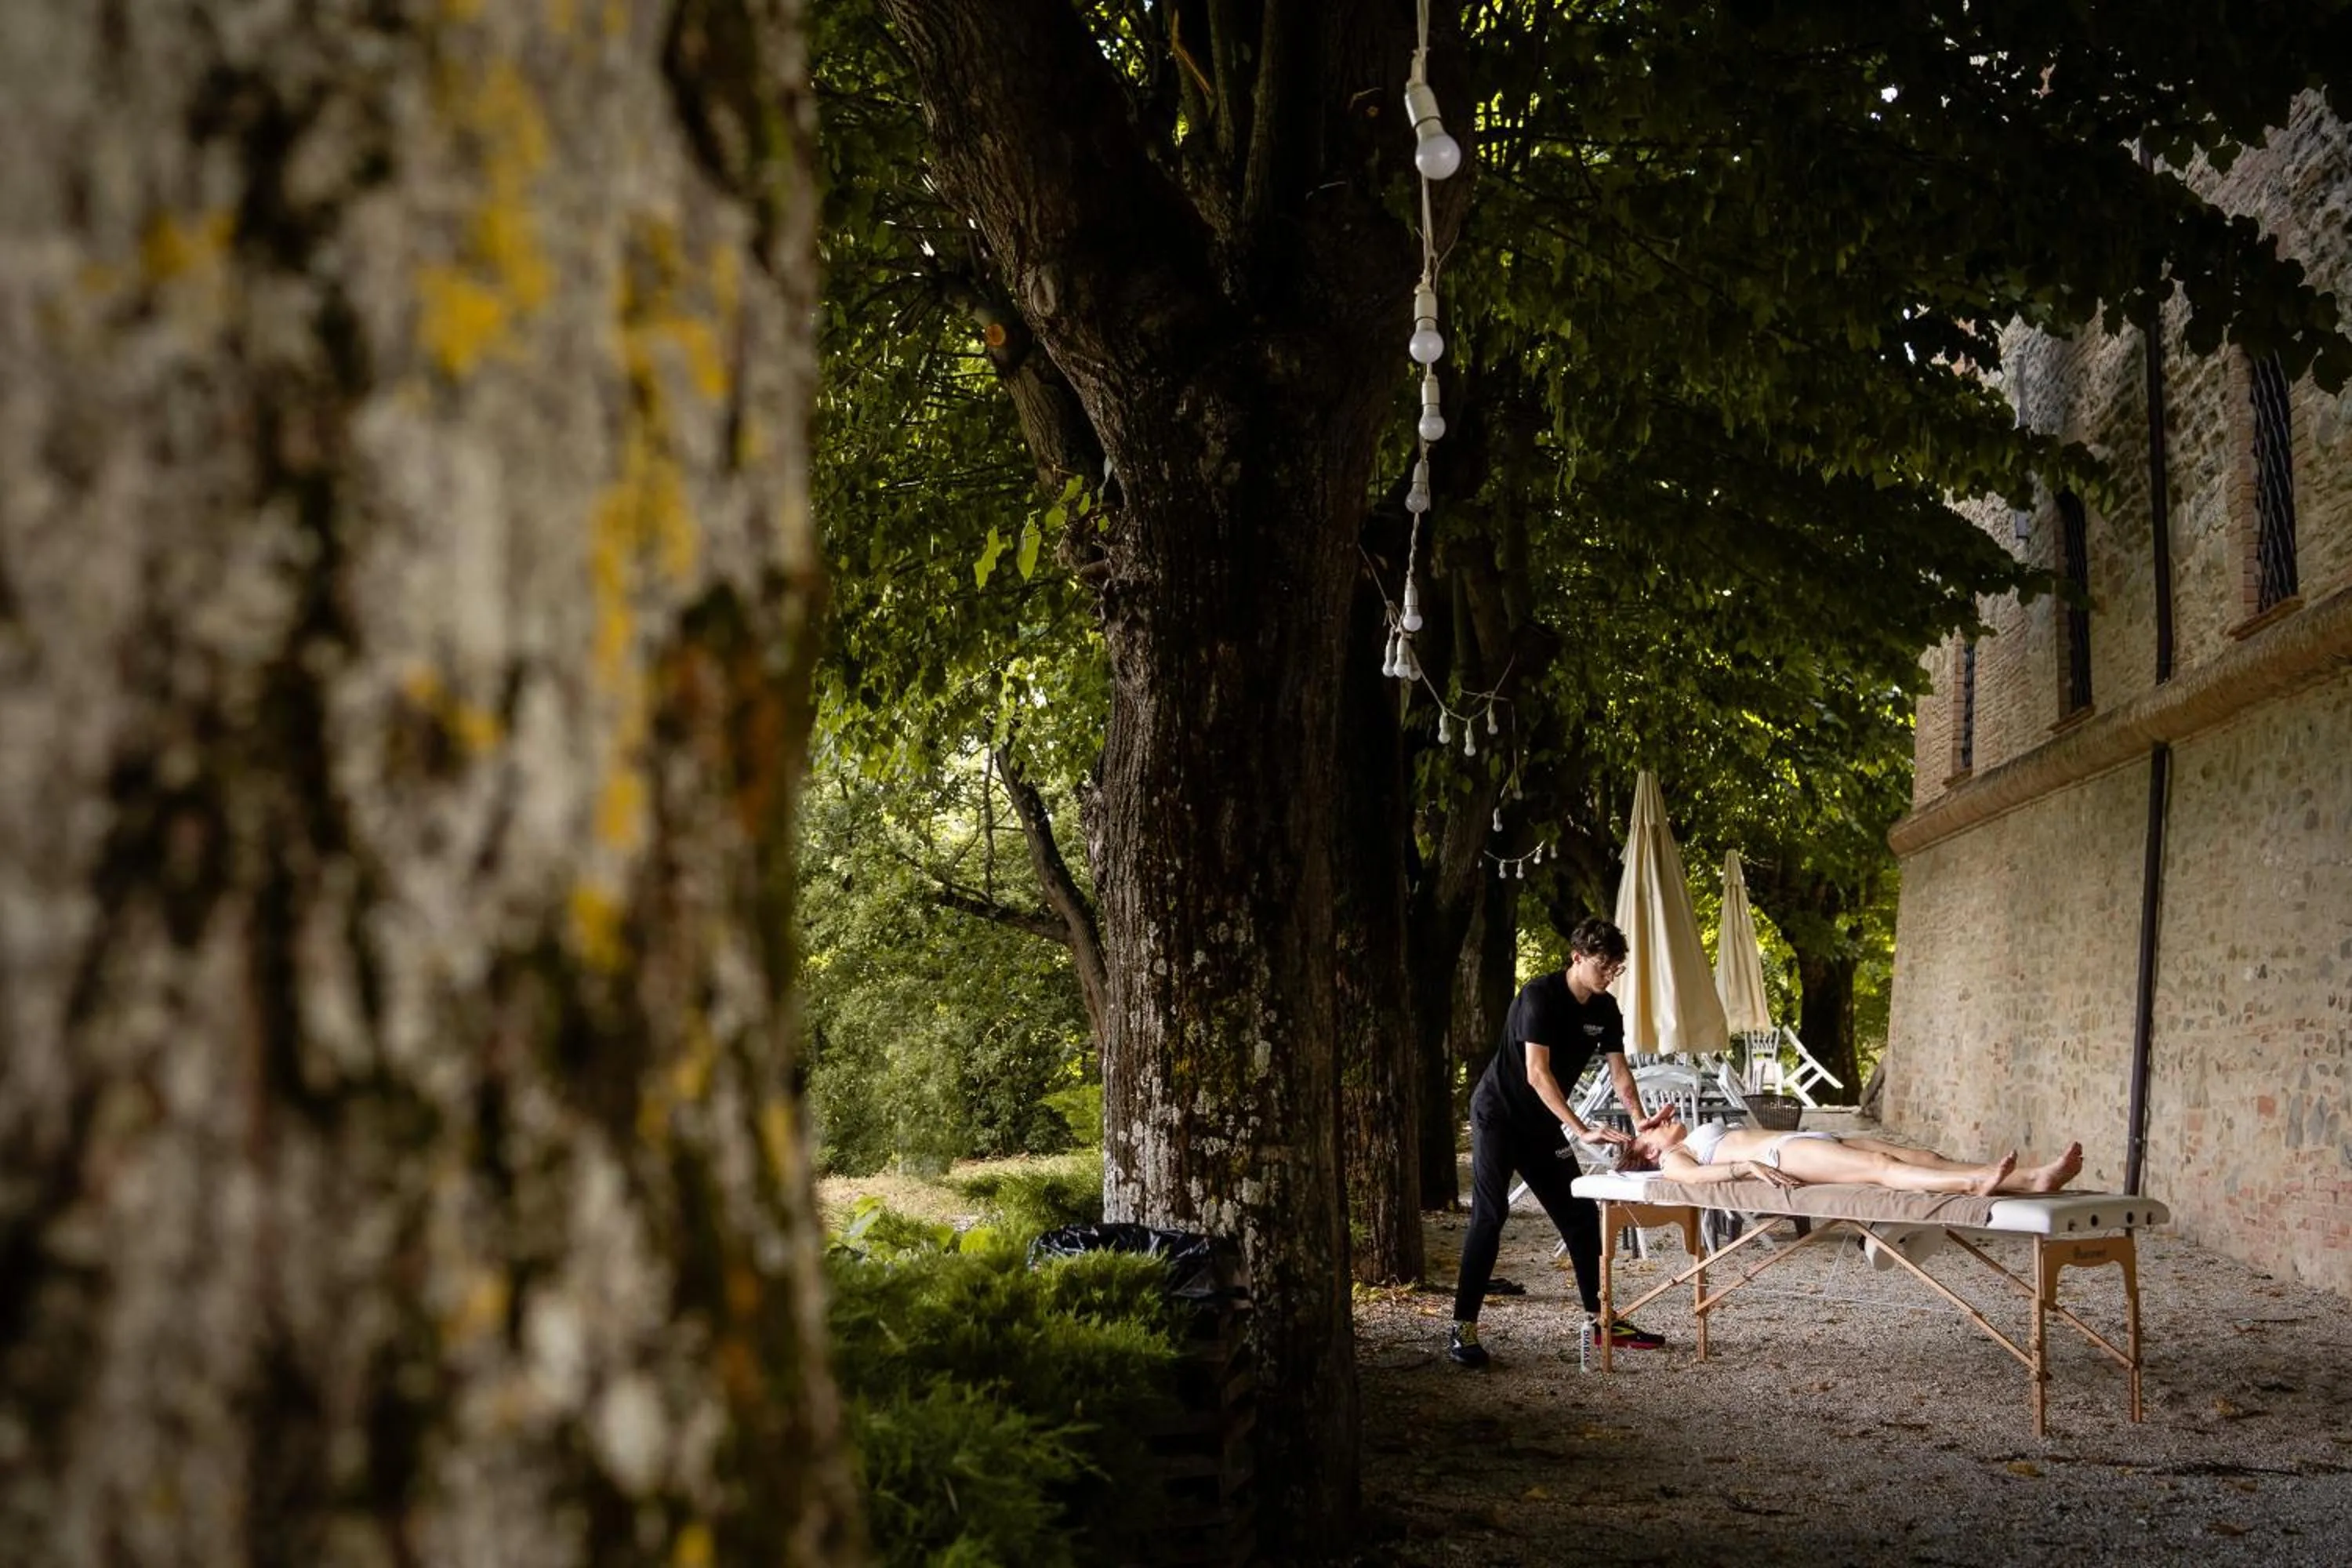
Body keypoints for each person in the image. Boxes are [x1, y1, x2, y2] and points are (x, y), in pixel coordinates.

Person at [1447, 917, 1671, 1368]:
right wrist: (1581, 1127)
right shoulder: (1539, 997)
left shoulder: (1605, 1010)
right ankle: (1462, 1327)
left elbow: (1619, 1072)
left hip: (1541, 1125)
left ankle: (1602, 1321)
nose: (1609, 975)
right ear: (1577, 957)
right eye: (1603, 965)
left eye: (1616, 967)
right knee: (1490, 1215)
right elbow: (1537, 1073)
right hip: (1498, 1116)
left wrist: (1640, 1121)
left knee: (1581, 1217)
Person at [1623, 1116, 2085, 1196]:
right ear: (1650, 1153)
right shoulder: (1672, 1159)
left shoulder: (1680, 1139)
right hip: (1784, 1155)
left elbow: (1655, 1125)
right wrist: (1744, 1167)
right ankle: (1972, 1184)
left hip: (1806, 1139)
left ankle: (2034, 1179)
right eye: (1649, 1133)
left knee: (1921, 1155)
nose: (1655, 1124)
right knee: (1884, 1170)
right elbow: (1693, 1179)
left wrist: (1649, 1128)